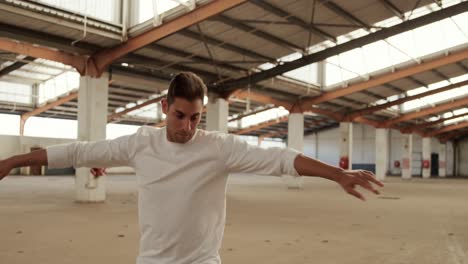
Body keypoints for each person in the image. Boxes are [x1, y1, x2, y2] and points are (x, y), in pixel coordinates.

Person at [0, 72, 384, 264]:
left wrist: (338, 174)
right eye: (180, 116)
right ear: (165, 108)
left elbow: (281, 160)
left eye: (196, 118)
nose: (187, 127)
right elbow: (79, 153)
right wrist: (16, 160)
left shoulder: (217, 148)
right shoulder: (140, 143)